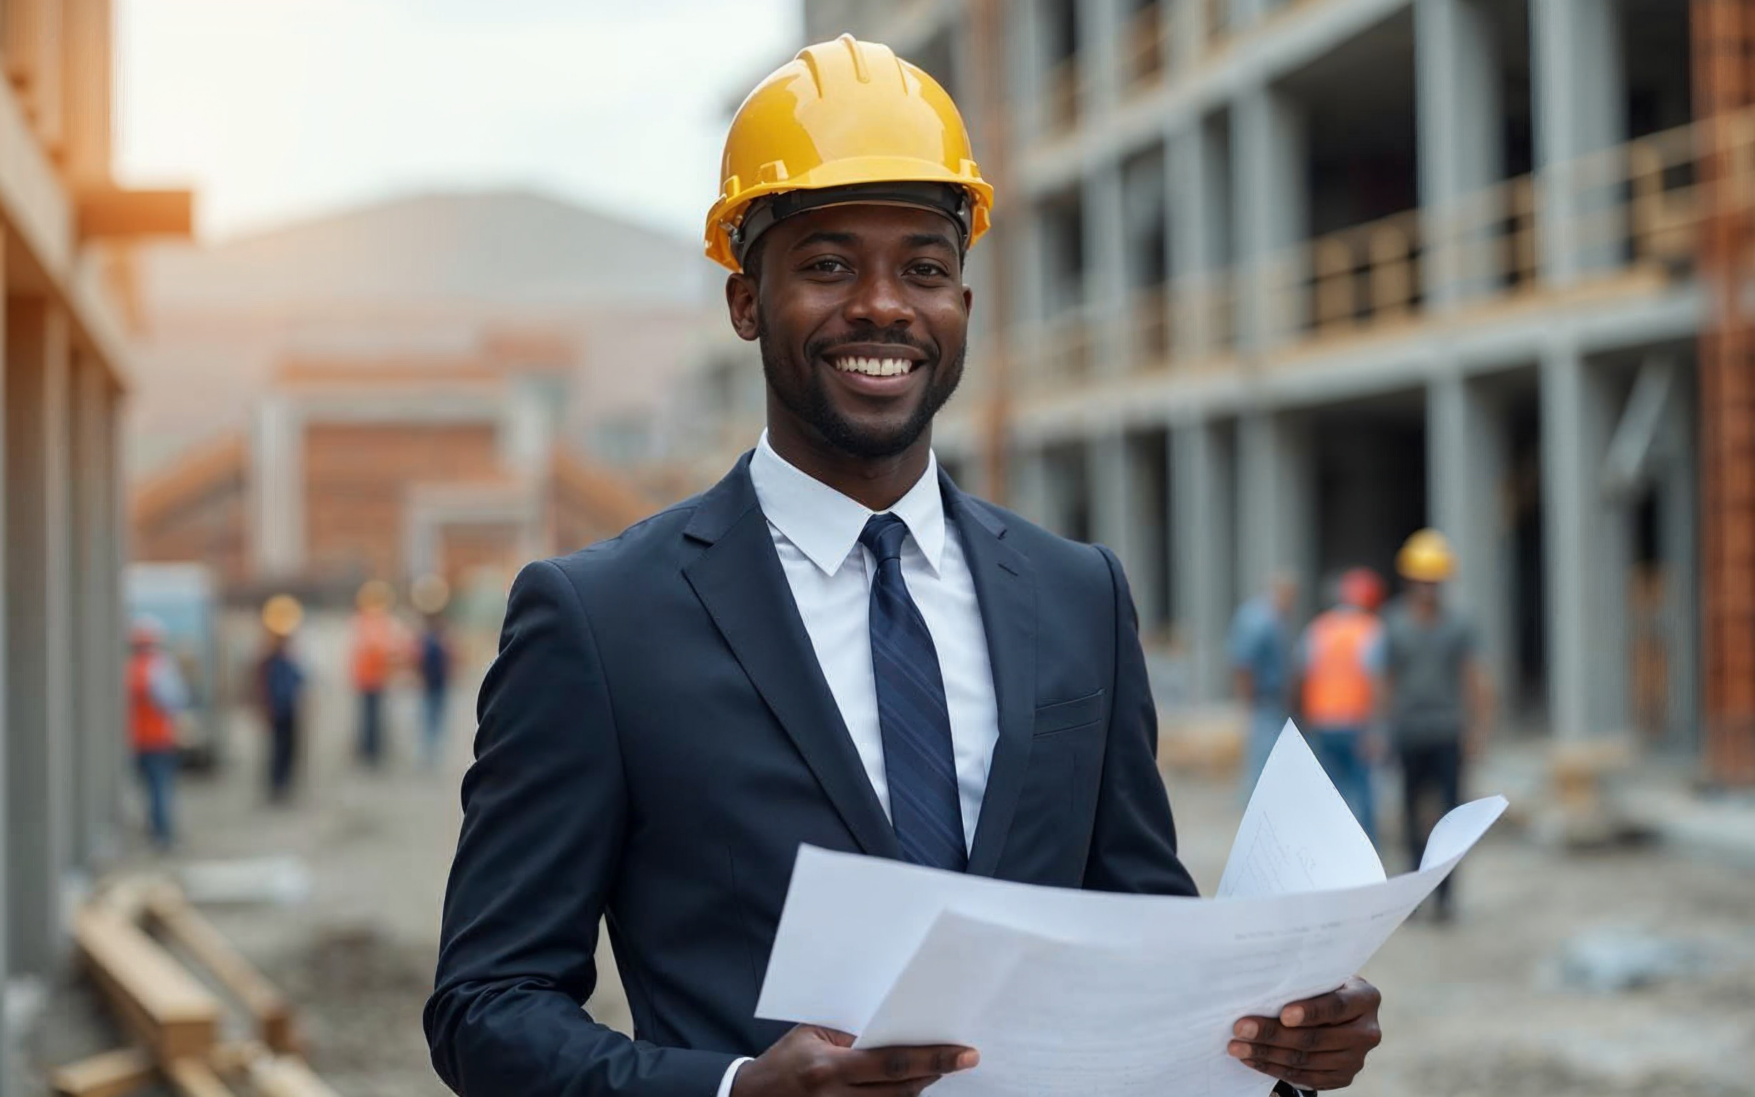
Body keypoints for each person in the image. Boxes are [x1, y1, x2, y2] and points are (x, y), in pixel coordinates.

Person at [426, 36, 1382, 1097]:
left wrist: (1283, 1037)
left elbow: (1143, 939)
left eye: (924, 266)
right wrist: (737, 1089)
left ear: (963, 308)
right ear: (746, 302)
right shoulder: (603, 622)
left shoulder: (1076, 595)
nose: (883, 304)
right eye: (829, 264)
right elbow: (487, 1006)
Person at [1380, 529, 1493, 924]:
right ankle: (1412, 895)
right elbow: (1386, 678)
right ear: (1410, 580)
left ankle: (1445, 899)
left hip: (1447, 732)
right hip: (1409, 732)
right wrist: (1378, 728)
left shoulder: (1459, 624)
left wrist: (1477, 729)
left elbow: (1473, 676)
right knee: (1411, 816)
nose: (1429, 589)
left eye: (1435, 582)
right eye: (1423, 581)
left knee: (1450, 820)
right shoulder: (1393, 623)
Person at [1297, 568, 1387, 843]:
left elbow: (1301, 673)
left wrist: (1302, 716)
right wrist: (1378, 727)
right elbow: (1379, 681)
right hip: (1357, 722)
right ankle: (1367, 851)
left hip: (1322, 720)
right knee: (1364, 791)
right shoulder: (1370, 630)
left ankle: (1332, 848)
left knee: (1330, 793)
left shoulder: (1319, 628)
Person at [1227, 571, 1297, 804]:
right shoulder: (1260, 620)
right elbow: (1243, 664)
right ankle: (1258, 808)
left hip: (1273, 700)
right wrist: (1246, 703)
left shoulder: (1274, 618)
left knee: (1270, 758)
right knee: (1263, 760)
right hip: (1263, 700)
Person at [127, 616, 189, 851]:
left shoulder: (130, 669)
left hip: (137, 740)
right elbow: (174, 700)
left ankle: (154, 830)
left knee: (148, 790)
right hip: (159, 739)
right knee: (161, 789)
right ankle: (164, 836)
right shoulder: (159, 668)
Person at [257, 594, 307, 804]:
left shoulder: (288, 657)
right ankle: (277, 786)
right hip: (276, 710)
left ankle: (285, 784)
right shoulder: (268, 659)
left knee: (289, 750)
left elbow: (300, 679)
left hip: (289, 709)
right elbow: (262, 686)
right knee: (277, 751)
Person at [349, 579, 403, 769]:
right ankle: (369, 749)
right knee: (370, 716)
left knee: (372, 715)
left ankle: (370, 747)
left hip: (375, 677)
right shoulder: (370, 622)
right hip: (369, 677)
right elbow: (375, 647)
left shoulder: (370, 621)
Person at [413, 575, 455, 768]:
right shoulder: (425, 633)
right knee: (430, 716)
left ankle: (432, 752)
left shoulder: (441, 632)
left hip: (438, 680)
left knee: (434, 717)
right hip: (430, 680)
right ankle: (429, 752)